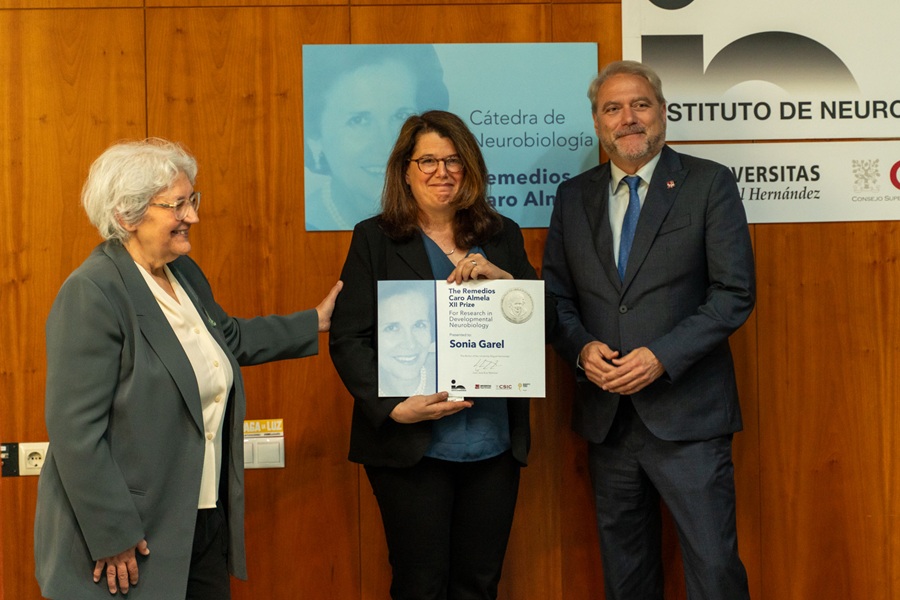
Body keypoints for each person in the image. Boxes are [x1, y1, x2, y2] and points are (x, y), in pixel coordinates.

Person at [33, 138, 342, 599]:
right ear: (127, 215)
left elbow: (225, 340)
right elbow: (75, 432)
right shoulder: (93, 291)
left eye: (192, 200)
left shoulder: (184, 273)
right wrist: (113, 534)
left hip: (199, 520)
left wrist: (313, 321)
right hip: (127, 537)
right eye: (177, 205)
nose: (193, 216)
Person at [542, 60, 756, 600]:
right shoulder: (573, 196)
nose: (628, 118)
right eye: (613, 108)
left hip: (688, 416)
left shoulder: (708, 183)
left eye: (640, 104)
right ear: (597, 123)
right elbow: (555, 297)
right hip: (608, 420)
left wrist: (661, 356)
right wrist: (581, 349)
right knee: (627, 577)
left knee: (713, 571)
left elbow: (733, 293)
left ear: (662, 111)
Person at [329, 110, 550, 599]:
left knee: (479, 584)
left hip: (492, 444)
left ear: (469, 168)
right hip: (411, 445)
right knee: (420, 585)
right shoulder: (374, 238)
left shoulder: (502, 235)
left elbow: (544, 325)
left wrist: (508, 284)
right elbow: (348, 338)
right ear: (405, 170)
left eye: (453, 160)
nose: (442, 172)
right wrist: (392, 407)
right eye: (427, 161)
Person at [303, 45, 450, 231]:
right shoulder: (301, 224)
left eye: (402, 116)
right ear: (316, 133)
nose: (387, 144)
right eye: (359, 120)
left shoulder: (455, 222)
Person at [377, 280, 437, 397]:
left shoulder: (451, 372)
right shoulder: (364, 389)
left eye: (419, 325)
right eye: (392, 328)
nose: (410, 344)